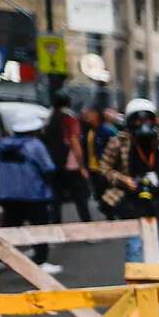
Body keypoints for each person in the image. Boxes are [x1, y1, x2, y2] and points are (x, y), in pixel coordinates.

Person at [99, 98, 159, 262]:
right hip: (132, 199)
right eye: (139, 119)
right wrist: (123, 179)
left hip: (158, 196)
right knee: (135, 246)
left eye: (147, 119)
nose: (144, 123)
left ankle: (156, 281)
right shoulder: (118, 142)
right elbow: (104, 168)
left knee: (157, 244)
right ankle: (137, 285)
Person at [0, 113, 59, 273]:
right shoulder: (35, 145)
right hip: (34, 194)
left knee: (9, 227)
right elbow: (48, 168)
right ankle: (41, 261)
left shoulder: (3, 145)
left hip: (8, 193)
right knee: (39, 228)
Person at [44, 91, 92, 225]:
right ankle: (87, 226)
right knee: (80, 197)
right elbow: (74, 141)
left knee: (56, 199)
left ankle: (56, 228)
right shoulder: (70, 118)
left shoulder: (50, 117)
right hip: (71, 164)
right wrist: (82, 166)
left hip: (54, 162)